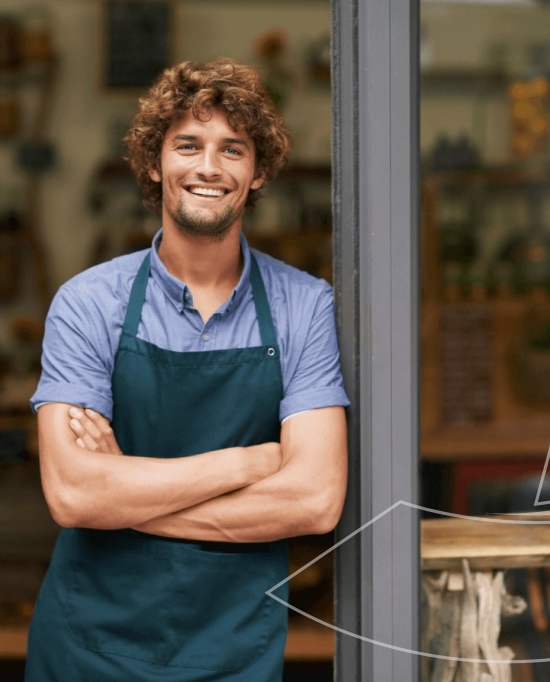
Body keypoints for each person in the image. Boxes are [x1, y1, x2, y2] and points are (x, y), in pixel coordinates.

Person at [25, 57, 349, 681]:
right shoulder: (89, 303)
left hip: (233, 645)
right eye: (188, 145)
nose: (209, 166)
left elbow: (313, 501)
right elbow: (70, 494)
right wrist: (247, 463)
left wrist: (122, 496)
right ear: (154, 163)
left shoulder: (304, 305)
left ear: (257, 174)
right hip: (90, 645)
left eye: (233, 148)